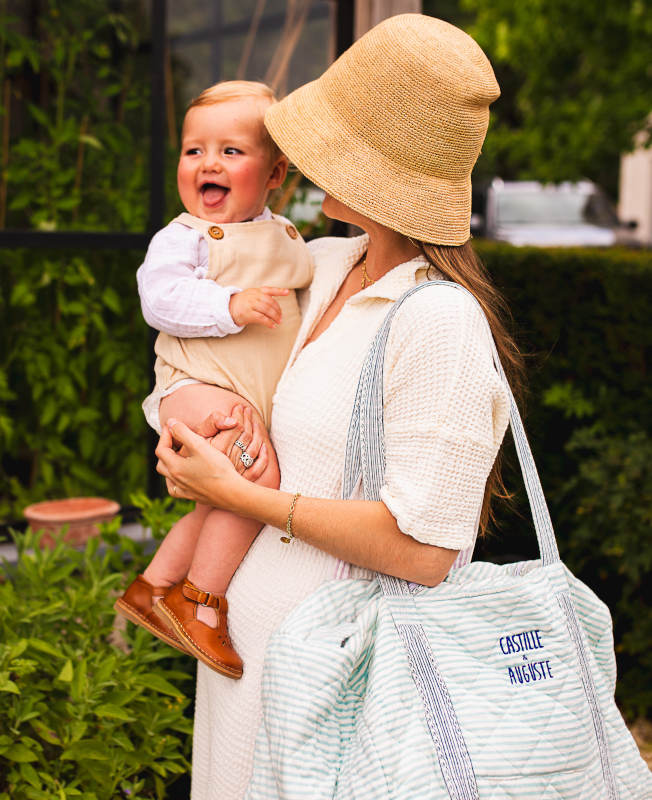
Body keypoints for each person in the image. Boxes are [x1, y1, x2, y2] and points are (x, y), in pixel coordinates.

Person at [155, 15, 523, 799]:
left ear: (377, 168)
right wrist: (181, 429)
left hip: (341, 695)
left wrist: (242, 496)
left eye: (330, 142)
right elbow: (193, 353)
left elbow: (425, 551)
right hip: (245, 673)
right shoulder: (318, 266)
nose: (299, 162)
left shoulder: (438, 320)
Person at [114, 80, 313, 679]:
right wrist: (230, 305)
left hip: (240, 393)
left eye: (231, 151)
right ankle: (200, 604)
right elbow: (160, 298)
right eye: (194, 150)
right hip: (194, 385)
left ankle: (152, 588)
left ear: (274, 175)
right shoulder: (186, 239)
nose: (208, 164)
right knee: (257, 479)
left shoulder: (286, 236)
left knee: (219, 505)